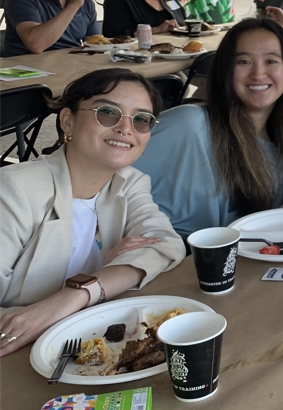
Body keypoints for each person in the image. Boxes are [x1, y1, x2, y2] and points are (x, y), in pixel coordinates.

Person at [0, 69, 184, 357]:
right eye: (108, 113)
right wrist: (110, 277)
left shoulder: (130, 182)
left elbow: (165, 244)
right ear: (67, 121)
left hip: (83, 345)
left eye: (141, 119)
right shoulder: (14, 190)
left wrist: (83, 290)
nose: (126, 128)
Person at [133, 18, 283, 241]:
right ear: (226, 70)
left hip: (244, 255)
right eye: (244, 62)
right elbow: (107, 174)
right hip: (169, 254)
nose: (258, 73)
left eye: (271, 61)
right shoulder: (190, 124)